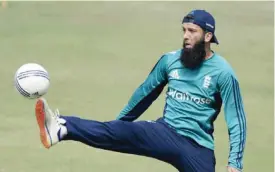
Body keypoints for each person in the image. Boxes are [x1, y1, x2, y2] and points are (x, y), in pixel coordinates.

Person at [34, 9, 246, 172]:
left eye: (192, 31)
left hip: (197, 146)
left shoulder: (223, 73)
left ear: (208, 36)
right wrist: (117, 127)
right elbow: (144, 95)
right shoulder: (170, 61)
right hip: (165, 132)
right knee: (117, 130)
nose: (186, 36)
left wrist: (234, 162)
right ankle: (62, 127)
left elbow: (236, 119)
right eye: (184, 30)